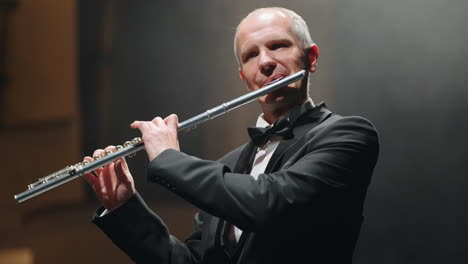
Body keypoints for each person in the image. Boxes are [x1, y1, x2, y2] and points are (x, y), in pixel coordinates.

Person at [84, 7, 379, 264]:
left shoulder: (347, 135)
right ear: (245, 78)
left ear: (310, 58)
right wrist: (125, 208)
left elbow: (270, 203)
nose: (265, 62)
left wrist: (169, 159)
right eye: (251, 55)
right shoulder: (230, 164)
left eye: (278, 45)